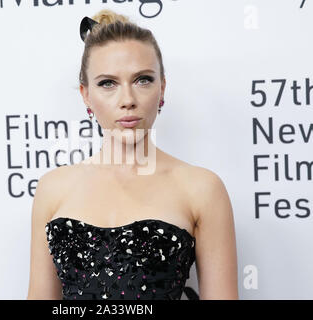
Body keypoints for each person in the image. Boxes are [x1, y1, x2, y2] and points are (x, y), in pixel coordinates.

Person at [27, 9, 238, 300]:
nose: (127, 100)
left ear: (162, 88)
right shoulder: (52, 189)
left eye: (142, 80)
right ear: (86, 95)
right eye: (107, 83)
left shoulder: (202, 189)